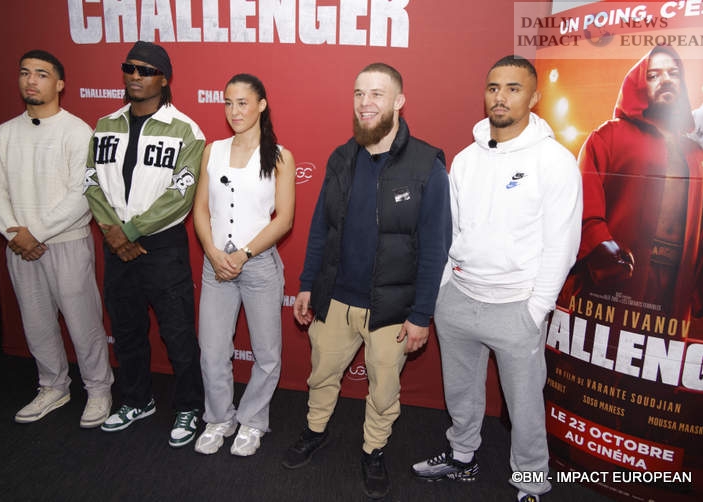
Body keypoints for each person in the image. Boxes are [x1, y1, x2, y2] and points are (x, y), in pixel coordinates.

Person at [410, 55, 582, 502]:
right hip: (459, 299)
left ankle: (531, 480)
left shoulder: (554, 161)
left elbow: (562, 245)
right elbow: (451, 232)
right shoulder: (466, 159)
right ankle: (462, 456)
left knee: (525, 407)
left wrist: (535, 310)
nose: (500, 97)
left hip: (516, 307)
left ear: (534, 97)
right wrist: (443, 290)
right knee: (460, 393)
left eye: (512, 88)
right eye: (493, 88)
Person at [283, 62, 451, 499]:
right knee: (322, 374)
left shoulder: (427, 165)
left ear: (399, 101)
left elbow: (435, 248)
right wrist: (308, 283)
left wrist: (422, 315)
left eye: (377, 93)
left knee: (383, 390)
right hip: (336, 298)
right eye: (359, 93)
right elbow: (321, 228)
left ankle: (374, 450)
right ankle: (315, 430)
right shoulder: (342, 157)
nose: (365, 102)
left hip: (391, 309)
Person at [83, 41, 206, 447]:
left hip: (162, 246)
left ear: (164, 79)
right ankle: (137, 400)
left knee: (178, 333)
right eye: (130, 68)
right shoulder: (105, 124)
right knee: (126, 329)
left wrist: (130, 232)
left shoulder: (185, 130)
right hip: (114, 243)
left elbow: (181, 193)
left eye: (146, 70)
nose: (135, 76)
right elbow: (91, 181)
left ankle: (190, 406)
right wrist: (112, 232)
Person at [0, 49, 114, 428]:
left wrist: (35, 233)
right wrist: (15, 233)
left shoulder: (77, 131)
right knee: (36, 322)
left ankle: (99, 389)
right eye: (25, 73)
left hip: (66, 242)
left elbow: (82, 194)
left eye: (41, 74)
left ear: (59, 84)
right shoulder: (4, 134)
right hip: (19, 246)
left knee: (83, 322)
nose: (31, 81)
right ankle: (53, 386)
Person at [192, 74, 295, 457]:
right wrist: (213, 252)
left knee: (266, 354)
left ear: (261, 105)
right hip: (216, 266)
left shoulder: (281, 157)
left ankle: (252, 421)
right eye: (228, 103)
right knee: (212, 351)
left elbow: (284, 220)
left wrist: (244, 254)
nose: (234, 111)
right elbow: (200, 209)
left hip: (259, 267)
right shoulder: (212, 151)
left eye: (242, 103)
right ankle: (219, 418)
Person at [575, 46, 703, 324]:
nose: (666, 79)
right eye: (654, 75)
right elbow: (582, 199)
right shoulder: (608, 136)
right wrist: (599, 244)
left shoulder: (697, 156)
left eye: (673, 73)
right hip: (619, 274)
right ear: (637, 84)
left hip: (675, 284)